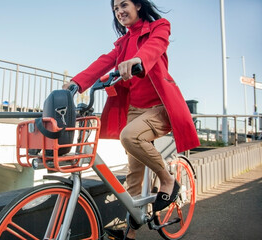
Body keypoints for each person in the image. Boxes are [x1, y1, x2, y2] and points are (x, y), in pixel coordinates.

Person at [63, 0, 200, 239]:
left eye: (123, 5)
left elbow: (155, 47)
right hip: (135, 110)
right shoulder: (123, 43)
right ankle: (130, 232)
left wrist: (138, 60)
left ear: (138, 5)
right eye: (115, 9)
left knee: (129, 136)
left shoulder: (159, 27)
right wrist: (76, 83)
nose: (119, 11)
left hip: (160, 106)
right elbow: (103, 62)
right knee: (134, 172)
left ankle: (168, 180)